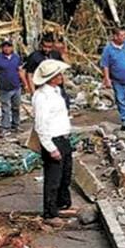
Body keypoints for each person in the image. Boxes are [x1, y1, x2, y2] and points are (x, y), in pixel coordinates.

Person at [31, 60, 76, 223]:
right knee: (53, 178)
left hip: (63, 136)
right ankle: (50, 212)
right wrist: (50, 147)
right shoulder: (41, 97)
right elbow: (40, 125)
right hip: (52, 139)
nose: (61, 77)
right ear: (50, 78)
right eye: (58, 75)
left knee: (65, 174)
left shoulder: (57, 91)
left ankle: (62, 204)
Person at [22, 32, 70, 106]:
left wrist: (63, 83)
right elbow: (29, 74)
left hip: (57, 87)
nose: (47, 49)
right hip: (42, 88)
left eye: (49, 47)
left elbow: (62, 68)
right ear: (41, 45)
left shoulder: (55, 54)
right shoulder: (34, 57)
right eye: (45, 46)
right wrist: (33, 92)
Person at [0, 39, 24, 134]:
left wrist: (25, 84)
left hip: (16, 87)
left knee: (16, 107)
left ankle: (16, 125)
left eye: (9, 46)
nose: (7, 48)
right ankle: (5, 128)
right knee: (5, 108)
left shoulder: (16, 57)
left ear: (12, 47)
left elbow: (20, 70)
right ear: (2, 48)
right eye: (5, 46)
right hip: (4, 88)